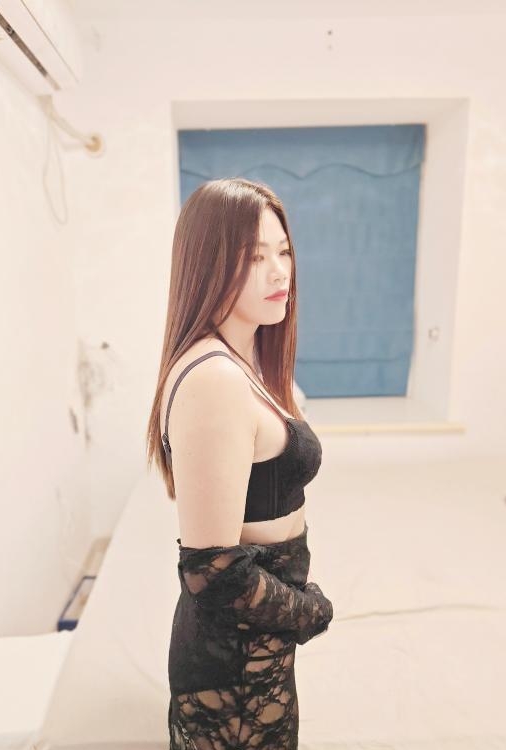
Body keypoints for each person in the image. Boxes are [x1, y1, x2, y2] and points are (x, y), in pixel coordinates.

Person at [146, 177, 333, 750]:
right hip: (235, 658)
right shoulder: (215, 379)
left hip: (257, 643)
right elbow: (211, 571)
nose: (280, 273)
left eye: (284, 252)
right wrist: (307, 611)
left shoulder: (241, 358)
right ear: (207, 265)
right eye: (255, 257)